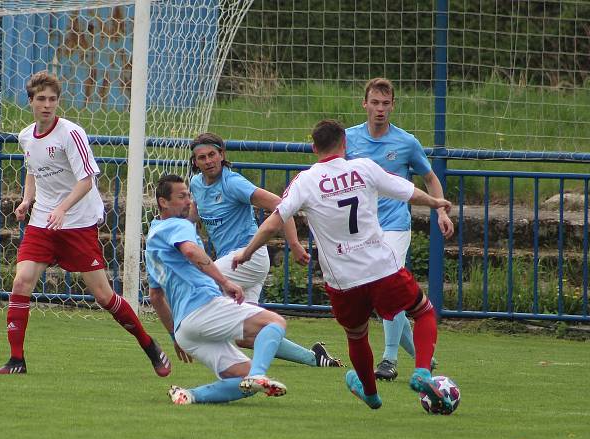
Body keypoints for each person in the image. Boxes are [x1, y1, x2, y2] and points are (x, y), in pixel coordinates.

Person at [233, 119, 454, 412]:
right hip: (381, 268)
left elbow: (274, 221)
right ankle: (423, 370)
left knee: (357, 334)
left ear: (314, 148)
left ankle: (372, 395)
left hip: (343, 281)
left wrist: (248, 251)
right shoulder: (364, 167)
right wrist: (437, 202)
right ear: (344, 144)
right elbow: (408, 192)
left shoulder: (306, 181)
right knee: (423, 311)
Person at [0, 71, 170, 377]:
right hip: (43, 221)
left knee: (103, 296)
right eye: (41, 99)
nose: (47, 105)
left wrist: (62, 209)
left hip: (78, 221)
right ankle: (16, 360)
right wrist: (27, 200)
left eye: (53, 99)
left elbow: (87, 181)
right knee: (21, 282)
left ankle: (149, 345)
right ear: (30, 101)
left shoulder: (71, 133)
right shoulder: (25, 136)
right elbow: (33, 170)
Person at [188, 132, 343, 368]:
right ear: (195, 162)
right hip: (235, 261)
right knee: (245, 334)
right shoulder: (196, 184)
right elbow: (194, 215)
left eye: (212, 155)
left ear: (222, 155)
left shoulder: (233, 183)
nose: (208, 161)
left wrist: (294, 244)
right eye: (202, 157)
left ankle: (188, 338)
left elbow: (282, 206)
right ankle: (315, 358)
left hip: (249, 257)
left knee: (200, 282)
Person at [345, 77, 454, 381]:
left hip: (394, 226)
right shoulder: (349, 140)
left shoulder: (406, 142)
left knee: (388, 287)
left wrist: (441, 211)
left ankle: (388, 360)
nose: (380, 109)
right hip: (362, 230)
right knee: (385, 298)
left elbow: (430, 177)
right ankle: (421, 358)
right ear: (364, 103)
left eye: (385, 103)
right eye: (375, 102)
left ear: (393, 105)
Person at [147, 174, 288, 405]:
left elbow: (155, 296)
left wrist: (175, 336)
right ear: (163, 202)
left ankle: (189, 395)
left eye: (189, 196)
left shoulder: (154, 236)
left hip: (185, 330)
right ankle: (258, 374)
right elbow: (191, 252)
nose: (189, 201)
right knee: (275, 323)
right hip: (202, 306)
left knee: (244, 382)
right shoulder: (178, 225)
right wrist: (225, 282)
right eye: (182, 197)